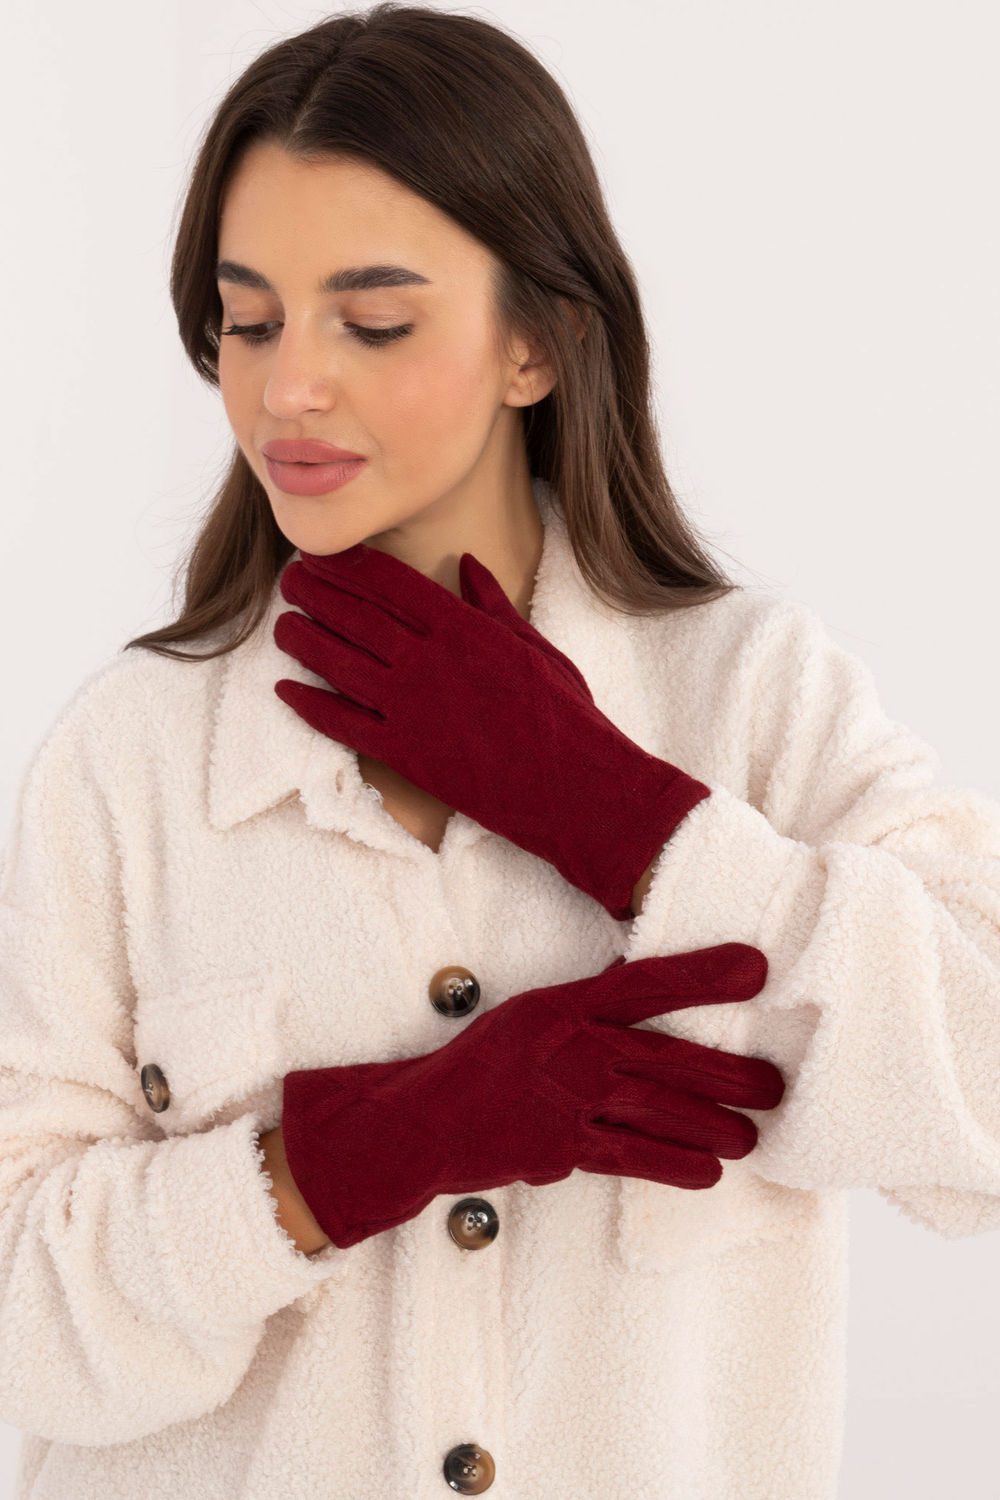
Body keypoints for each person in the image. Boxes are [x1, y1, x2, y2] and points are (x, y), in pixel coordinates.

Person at [2, 6, 999, 1499]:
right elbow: (21, 1319)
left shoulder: (755, 695)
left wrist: (617, 812)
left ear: (540, 339)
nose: (287, 389)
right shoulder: (125, 761)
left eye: (374, 322)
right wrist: (360, 1155)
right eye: (251, 321)